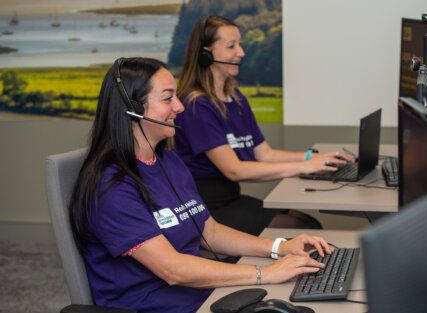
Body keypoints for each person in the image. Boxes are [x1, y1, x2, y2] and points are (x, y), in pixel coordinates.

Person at [69, 57, 333, 313]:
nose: (180, 107)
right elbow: (172, 269)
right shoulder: (111, 187)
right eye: (167, 98)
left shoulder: (168, 161)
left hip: (202, 294)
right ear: (134, 109)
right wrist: (266, 273)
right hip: (155, 305)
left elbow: (211, 232)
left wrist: (278, 247)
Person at [174, 16, 354, 236]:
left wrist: (312, 158)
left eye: (239, 44)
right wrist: (304, 167)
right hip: (207, 209)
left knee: (306, 221)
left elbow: (265, 153)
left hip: (231, 198)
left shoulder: (235, 97)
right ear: (205, 54)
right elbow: (234, 169)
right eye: (231, 46)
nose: (241, 52)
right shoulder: (197, 106)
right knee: (305, 228)